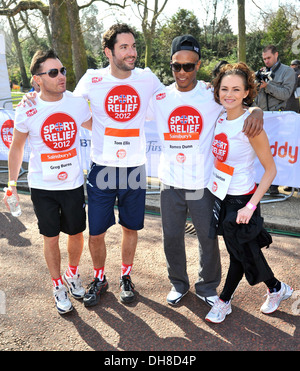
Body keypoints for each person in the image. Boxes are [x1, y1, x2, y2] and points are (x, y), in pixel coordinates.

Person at [149, 35, 264, 307]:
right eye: (177, 66)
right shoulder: (161, 97)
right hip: (170, 182)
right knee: (172, 238)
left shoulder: (210, 94)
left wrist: (256, 109)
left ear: (197, 65)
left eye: (188, 66)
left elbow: (237, 102)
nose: (182, 72)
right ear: (171, 65)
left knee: (208, 238)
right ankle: (178, 283)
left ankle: (207, 286)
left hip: (203, 183)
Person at [73, 24, 163, 306]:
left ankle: (126, 276)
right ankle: (100, 278)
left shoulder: (147, 79)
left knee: (130, 227)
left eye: (133, 46)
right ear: (108, 52)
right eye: (124, 47)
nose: (132, 52)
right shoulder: (92, 79)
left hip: (135, 168)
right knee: (96, 231)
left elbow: (176, 97)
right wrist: (96, 126)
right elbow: (70, 109)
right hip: (102, 168)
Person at [4, 49, 92, 315]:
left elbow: (98, 126)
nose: (61, 76)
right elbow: (17, 148)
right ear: (37, 79)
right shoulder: (28, 108)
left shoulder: (76, 103)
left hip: (73, 183)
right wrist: (10, 183)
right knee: (50, 238)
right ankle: (57, 285)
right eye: (53, 72)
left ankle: (72, 273)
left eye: (63, 70)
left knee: (76, 233)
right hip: (43, 187)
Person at [205, 62, 293, 324]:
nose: (228, 94)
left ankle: (223, 302)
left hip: (243, 200)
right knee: (245, 252)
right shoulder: (219, 116)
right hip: (222, 197)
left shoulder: (251, 125)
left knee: (238, 256)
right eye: (224, 89)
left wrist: (251, 206)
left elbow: (270, 170)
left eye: (235, 89)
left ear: (246, 92)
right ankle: (277, 288)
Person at [253, 45, 296, 195]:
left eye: (269, 58)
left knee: (278, 153)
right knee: (261, 151)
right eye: (264, 58)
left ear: (276, 55)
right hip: (263, 117)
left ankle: (274, 186)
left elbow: (285, 94)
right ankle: (261, 182)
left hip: (280, 118)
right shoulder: (261, 72)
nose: (266, 61)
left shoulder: (288, 71)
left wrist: (267, 86)